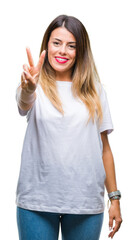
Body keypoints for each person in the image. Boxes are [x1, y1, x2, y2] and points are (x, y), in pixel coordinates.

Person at [15, 15, 122, 240]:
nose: (62, 51)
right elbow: (24, 103)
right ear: (47, 45)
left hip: (85, 203)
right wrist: (28, 88)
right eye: (57, 43)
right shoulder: (33, 85)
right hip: (37, 202)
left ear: (80, 51)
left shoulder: (96, 92)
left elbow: (104, 149)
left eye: (71, 46)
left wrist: (115, 198)